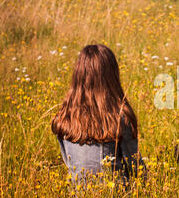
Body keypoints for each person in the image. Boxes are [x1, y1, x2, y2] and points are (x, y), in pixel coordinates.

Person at [51, 44, 146, 185]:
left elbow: (69, 164)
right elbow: (135, 168)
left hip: (78, 197)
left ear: (78, 76)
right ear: (112, 77)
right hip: (115, 197)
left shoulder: (64, 117)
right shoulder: (119, 116)